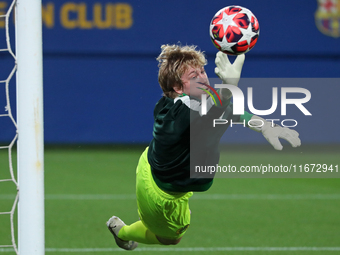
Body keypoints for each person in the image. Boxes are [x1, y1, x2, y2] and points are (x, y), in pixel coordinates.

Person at [106, 44, 301, 250]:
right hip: (162, 194)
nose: (203, 77)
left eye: (202, 71)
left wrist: (265, 126)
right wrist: (227, 93)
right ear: (178, 88)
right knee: (171, 239)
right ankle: (122, 232)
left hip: (157, 168)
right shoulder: (177, 113)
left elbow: (229, 111)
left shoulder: (196, 99)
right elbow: (207, 118)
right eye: (193, 75)